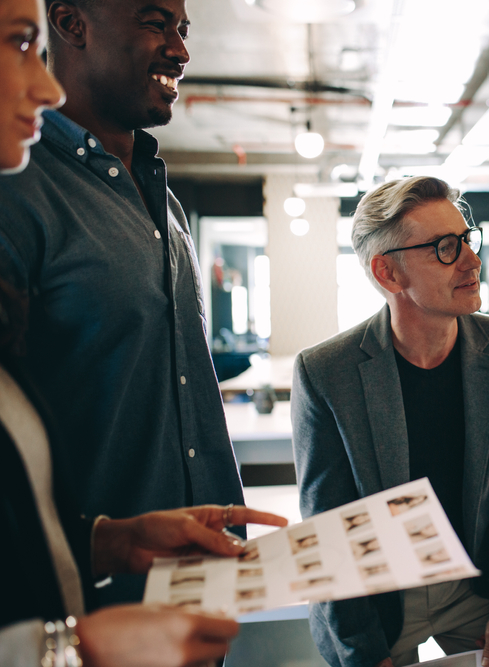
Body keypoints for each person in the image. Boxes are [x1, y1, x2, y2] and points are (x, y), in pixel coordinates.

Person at [0, 5, 288, 662]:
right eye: (156, 22)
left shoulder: (165, 202)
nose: (180, 51)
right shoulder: (17, 195)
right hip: (81, 619)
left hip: (192, 583)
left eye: (184, 30)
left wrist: (121, 536)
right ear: (71, 24)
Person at [292, 176, 489, 667]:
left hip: (477, 584)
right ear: (388, 273)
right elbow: (329, 532)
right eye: (445, 248)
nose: (473, 261)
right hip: (380, 597)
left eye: (467, 240)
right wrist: (364, 653)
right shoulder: (327, 373)